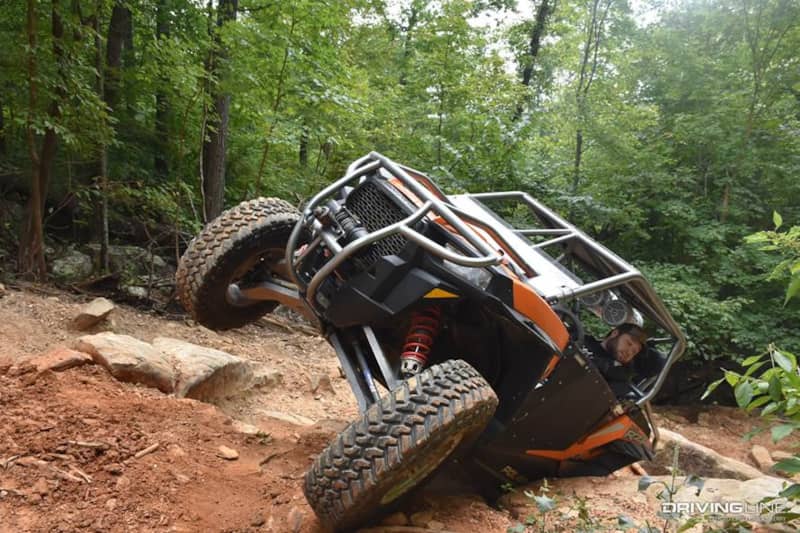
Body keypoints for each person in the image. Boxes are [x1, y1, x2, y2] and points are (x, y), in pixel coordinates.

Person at [583, 323, 648, 396]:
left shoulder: (621, 380)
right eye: (629, 343)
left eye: (634, 351)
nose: (629, 352)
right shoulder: (582, 341)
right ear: (615, 333)